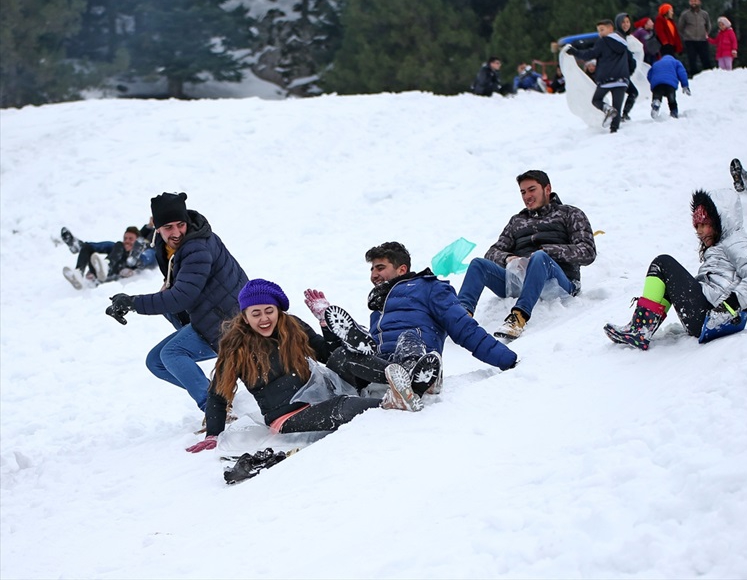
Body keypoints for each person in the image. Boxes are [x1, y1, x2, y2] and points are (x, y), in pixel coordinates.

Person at [184, 279, 405, 454]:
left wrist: (325, 325)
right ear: (245, 316)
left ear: (278, 310)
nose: (264, 319)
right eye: (256, 313)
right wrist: (212, 434)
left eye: (269, 311)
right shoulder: (235, 346)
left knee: (343, 354)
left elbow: (328, 356)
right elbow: (218, 392)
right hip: (287, 417)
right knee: (344, 406)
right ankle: (392, 403)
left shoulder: (293, 327)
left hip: (322, 392)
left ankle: (404, 378)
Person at [307, 242, 518, 410]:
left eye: (380, 267)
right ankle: (367, 352)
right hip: (382, 372)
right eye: (371, 269)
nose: (374, 274)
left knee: (408, 338)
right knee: (342, 355)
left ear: (402, 269)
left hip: (417, 360)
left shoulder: (429, 288)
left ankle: (418, 378)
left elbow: (464, 327)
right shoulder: (378, 310)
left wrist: (507, 359)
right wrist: (326, 323)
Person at [105, 192, 248, 412]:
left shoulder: (197, 247)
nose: (176, 232)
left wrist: (132, 303)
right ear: (157, 227)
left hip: (231, 322)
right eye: (168, 227)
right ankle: (218, 395)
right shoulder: (169, 247)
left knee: (171, 354)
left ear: (187, 222)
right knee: (156, 362)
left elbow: (181, 296)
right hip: (211, 316)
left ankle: (215, 409)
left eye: (180, 225)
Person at [604, 190, 747, 350]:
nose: (700, 231)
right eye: (697, 226)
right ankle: (642, 329)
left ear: (719, 221)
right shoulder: (722, 244)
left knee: (663, 263)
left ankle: (640, 329)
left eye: (704, 224)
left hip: (718, 315)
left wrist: (730, 306)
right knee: (667, 281)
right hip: (711, 315)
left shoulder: (737, 241)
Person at [457, 170, 597, 340]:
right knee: (478, 264)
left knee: (540, 258)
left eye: (532, 190)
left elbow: (588, 252)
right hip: (521, 280)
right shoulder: (517, 221)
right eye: (523, 192)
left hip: (559, 283)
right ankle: (460, 316)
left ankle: (518, 317)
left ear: (547, 189)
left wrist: (547, 252)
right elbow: (492, 252)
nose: (527, 196)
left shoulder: (570, 214)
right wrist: (510, 259)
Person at [561, 19, 635, 133]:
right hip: (622, 80)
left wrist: (575, 52)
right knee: (617, 108)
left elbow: (590, 54)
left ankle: (607, 109)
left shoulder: (603, 41)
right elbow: (631, 61)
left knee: (596, 100)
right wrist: (627, 74)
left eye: (602, 30)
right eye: (598, 31)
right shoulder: (624, 44)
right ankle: (614, 131)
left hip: (606, 79)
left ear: (610, 28)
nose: (600, 33)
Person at [60, 223, 156, 290]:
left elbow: (150, 258)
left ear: (138, 241)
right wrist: (84, 247)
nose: (126, 241)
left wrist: (135, 265)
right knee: (90, 247)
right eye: (125, 238)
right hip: (102, 273)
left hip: (120, 271)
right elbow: (93, 246)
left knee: (134, 254)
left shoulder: (145, 251)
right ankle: (79, 271)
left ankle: (119, 263)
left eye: (130, 239)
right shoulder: (119, 247)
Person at [647, 44, 690, 119]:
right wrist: (685, 85)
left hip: (657, 85)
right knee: (672, 100)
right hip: (670, 84)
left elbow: (649, 75)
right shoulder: (676, 62)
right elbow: (682, 73)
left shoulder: (656, 63)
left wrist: (653, 82)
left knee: (657, 96)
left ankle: (656, 103)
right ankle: (674, 112)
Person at [615, 13, 644, 121]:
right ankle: (620, 116)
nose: (626, 24)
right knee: (629, 93)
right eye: (623, 22)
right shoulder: (617, 37)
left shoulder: (629, 37)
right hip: (617, 72)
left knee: (632, 92)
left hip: (625, 72)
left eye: (627, 22)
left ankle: (623, 115)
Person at [678, 0, 713, 76]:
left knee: (705, 59)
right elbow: (680, 27)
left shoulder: (704, 14)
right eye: (691, 1)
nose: (693, 3)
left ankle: (709, 75)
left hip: (702, 40)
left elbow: (708, 25)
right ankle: (694, 76)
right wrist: (686, 36)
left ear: (699, 2)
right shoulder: (685, 14)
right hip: (690, 41)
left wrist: (706, 34)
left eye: (695, 1)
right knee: (692, 60)